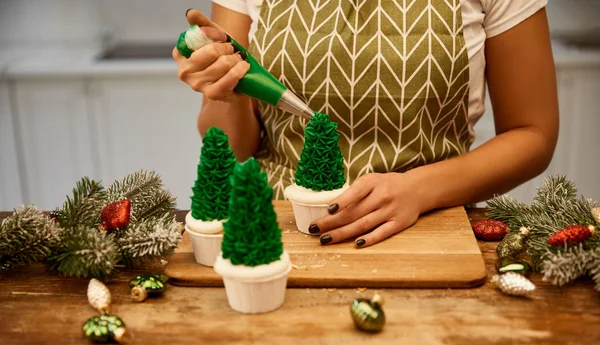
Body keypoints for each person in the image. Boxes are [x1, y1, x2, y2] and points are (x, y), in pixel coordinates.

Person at [173, 0, 558, 248]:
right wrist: (225, 92)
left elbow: (533, 133)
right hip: (280, 231)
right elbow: (234, 147)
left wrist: (419, 189)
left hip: (431, 229)